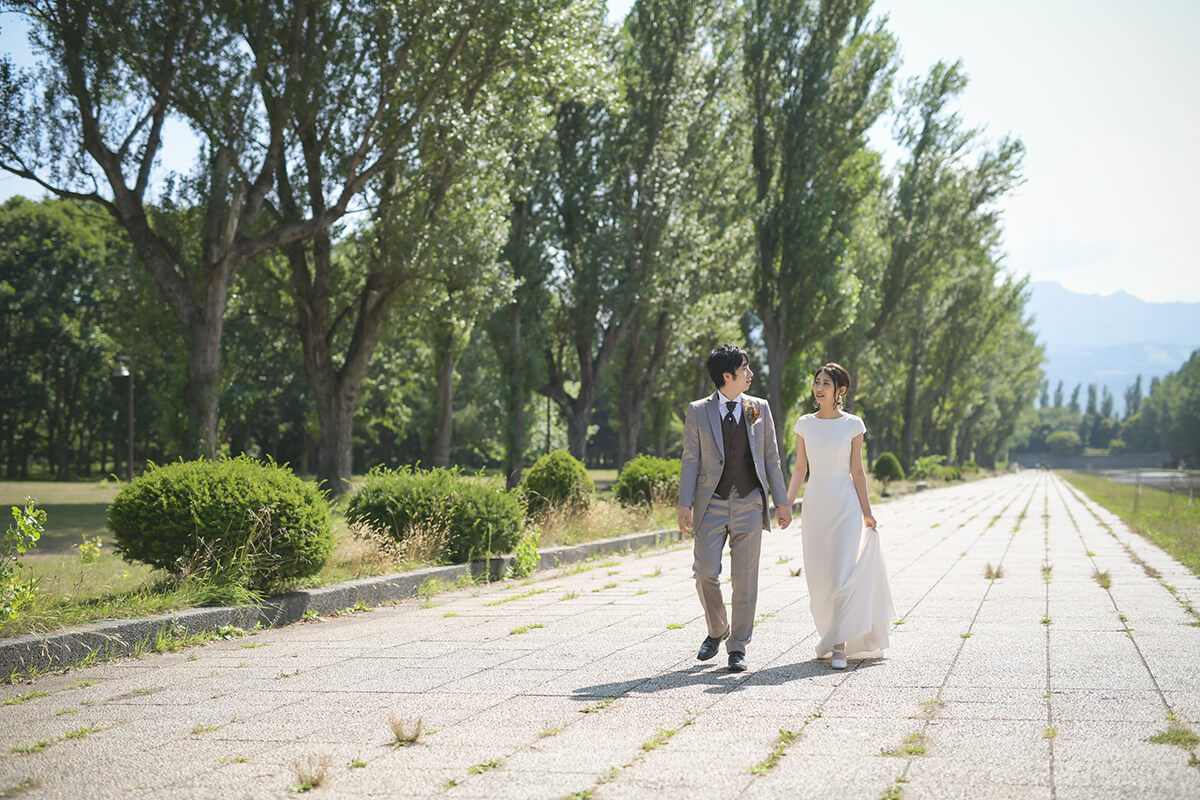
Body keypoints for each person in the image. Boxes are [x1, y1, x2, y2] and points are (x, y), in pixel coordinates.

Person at [678, 344, 791, 673]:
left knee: (745, 580)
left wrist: (781, 502)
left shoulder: (760, 409)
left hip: (749, 504)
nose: (750, 374)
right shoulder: (698, 411)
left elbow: (772, 459)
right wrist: (684, 503)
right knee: (704, 573)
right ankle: (718, 629)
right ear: (726, 376)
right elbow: (690, 459)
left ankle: (737, 647)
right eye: (744, 369)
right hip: (709, 505)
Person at [786, 362, 894, 669]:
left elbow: (857, 471)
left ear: (840, 391)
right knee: (820, 576)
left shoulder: (853, 425)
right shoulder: (804, 423)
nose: (819, 388)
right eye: (817, 382)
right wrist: (785, 504)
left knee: (843, 572)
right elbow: (799, 469)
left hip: (845, 505)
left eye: (826, 384)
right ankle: (830, 633)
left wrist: (867, 513)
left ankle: (839, 646)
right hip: (816, 503)